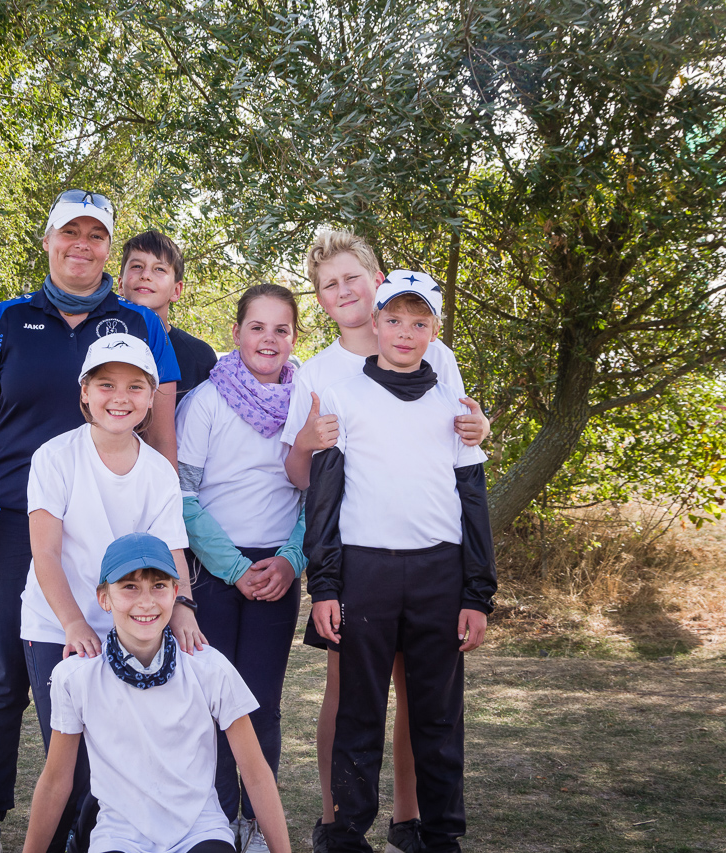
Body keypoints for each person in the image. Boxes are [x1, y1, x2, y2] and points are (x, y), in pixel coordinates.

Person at [0, 189, 188, 853]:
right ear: (47, 240)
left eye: (96, 235)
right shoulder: (6, 320)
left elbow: (162, 438)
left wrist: (161, 536)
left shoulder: (139, 323)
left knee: (98, 674)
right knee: (0, 674)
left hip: (109, 528)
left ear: (108, 248)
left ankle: (88, 822)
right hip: (13, 523)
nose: (82, 245)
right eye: (69, 232)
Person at [279, 230, 489, 853]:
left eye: (352, 277)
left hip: (434, 567)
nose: (404, 331)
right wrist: (325, 582)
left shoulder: (440, 366)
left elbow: (464, 465)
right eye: (329, 284)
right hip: (361, 564)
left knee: (430, 706)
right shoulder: (326, 381)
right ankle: (341, 827)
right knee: (354, 705)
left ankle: (421, 825)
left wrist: (477, 591)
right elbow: (310, 483)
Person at [23, 333, 198, 853]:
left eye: (135, 386)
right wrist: (74, 624)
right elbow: (45, 552)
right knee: (70, 763)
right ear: (84, 392)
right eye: (106, 384)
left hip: (131, 629)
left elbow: (172, 551)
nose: (120, 397)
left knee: (123, 762)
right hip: (57, 624)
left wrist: (184, 607)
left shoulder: (159, 471)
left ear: (151, 397)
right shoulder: (55, 457)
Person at [21, 533, 291, 853]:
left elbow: (256, 774)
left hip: (199, 830)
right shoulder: (76, 677)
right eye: (129, 587)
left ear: (176, 593)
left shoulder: (209, 668)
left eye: (159, 585)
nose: (146, 602)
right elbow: (55, 781)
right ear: (104, 598)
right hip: (119, 835)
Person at [176, 284, 305, 852]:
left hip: (277, 571)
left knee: (260, 704)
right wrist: (231, 567)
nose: (268, 339)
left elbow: (319, 495)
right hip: (214, 570)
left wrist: (291, 559)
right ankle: (215, 819)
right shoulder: (206, 401)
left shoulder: (307, 402)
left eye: (281, 329)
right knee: (210, 702)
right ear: (236, 333)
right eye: (257, 327)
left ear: (295, 337)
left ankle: (254, 820)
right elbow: (182, 495)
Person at [117, 230, 218, 405]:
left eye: (159, 269)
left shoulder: (200, 356)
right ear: (120, 284)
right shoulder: (101, 340)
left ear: (176, 290)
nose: (145, 275)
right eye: (137, 266)